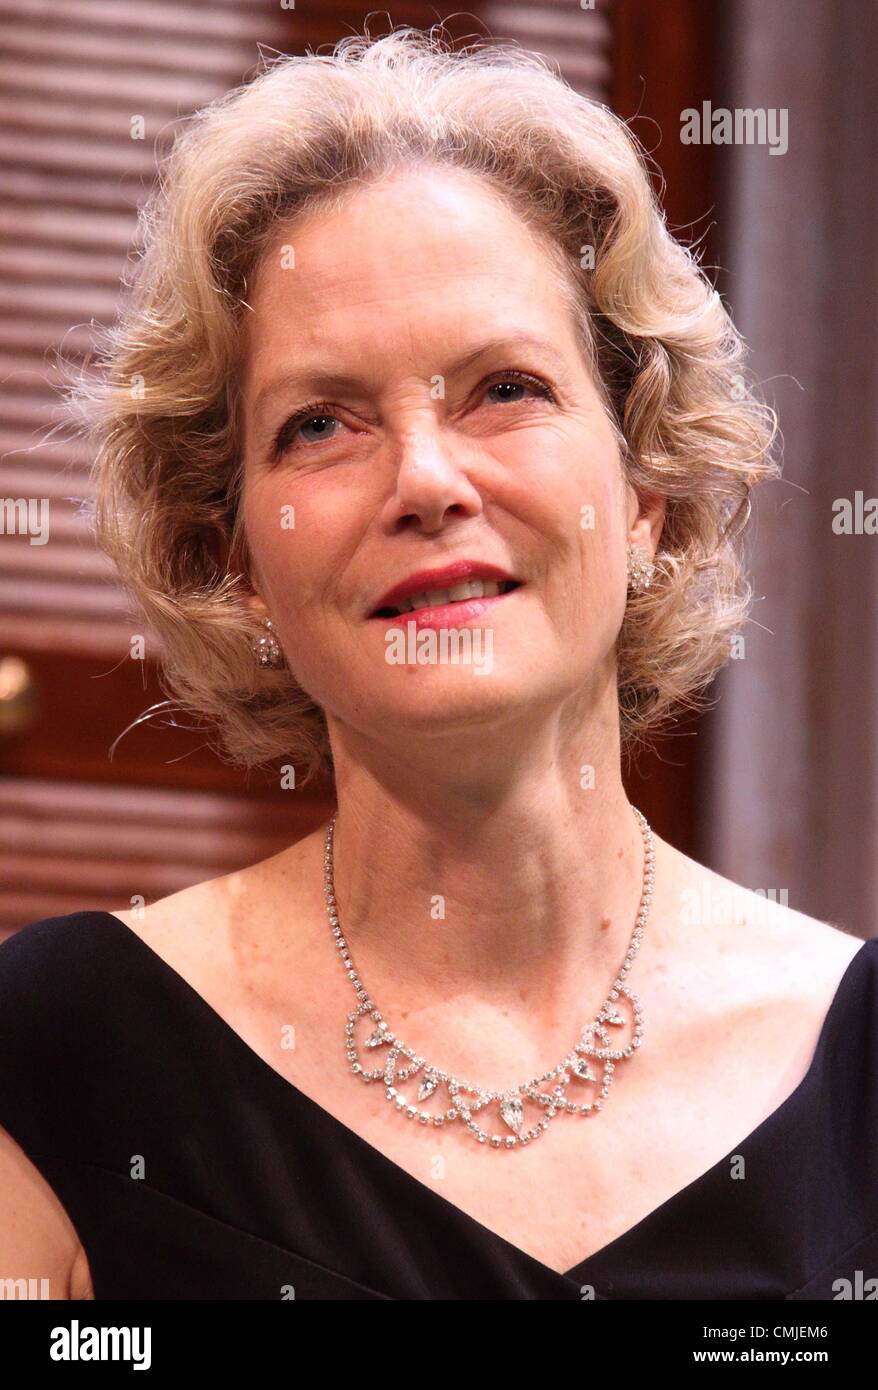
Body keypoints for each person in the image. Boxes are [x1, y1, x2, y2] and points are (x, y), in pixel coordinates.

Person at [1, 27, 874, 1302]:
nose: (423, 479)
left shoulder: (854, 1070)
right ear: (233, 553)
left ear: (645, 492)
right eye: (320, 424)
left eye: (502, 387)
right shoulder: (56, 1055)